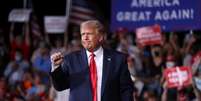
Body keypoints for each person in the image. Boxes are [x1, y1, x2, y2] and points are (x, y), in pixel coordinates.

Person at [50, 20, 134, 101]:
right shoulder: (71, 60)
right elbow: (60, 86)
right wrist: (56, 67)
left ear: (100, 37)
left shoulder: (118, 59)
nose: (85, 38)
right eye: (83, 34)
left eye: (89, 34)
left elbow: (126, 89)